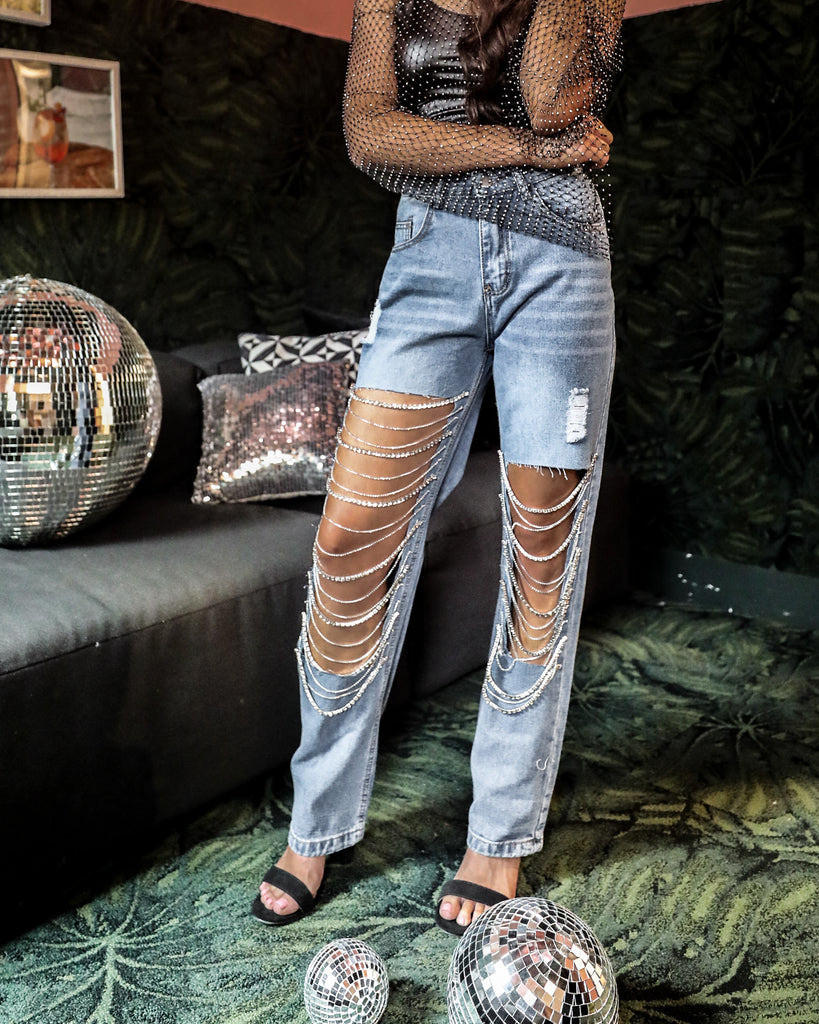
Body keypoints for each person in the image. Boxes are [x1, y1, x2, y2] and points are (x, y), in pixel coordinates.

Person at [252, 0, 625, 936]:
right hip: (430, 257)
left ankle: (497, 837)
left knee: (541, 555)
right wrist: (530, 153)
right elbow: (370, 134)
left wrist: (526, 138)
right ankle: (319, 817)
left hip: (561, 257)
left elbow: (552, 97)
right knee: (350, 541)